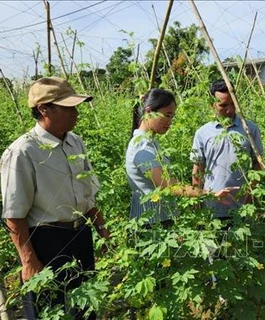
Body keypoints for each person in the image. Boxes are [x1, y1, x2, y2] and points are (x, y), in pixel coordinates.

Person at [0, 77, 110, 319]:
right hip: (45, 241)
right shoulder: (23, 151)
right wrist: (28, 261)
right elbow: (14, 214)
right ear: (43, 109)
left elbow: (87, 195)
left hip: (80, 235)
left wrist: (103, 231)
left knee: (85, 308)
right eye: (68, 107)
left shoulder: (75, 142)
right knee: (48, 309)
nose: (76, 113)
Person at [126, 88, 236, 227]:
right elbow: (170, 186)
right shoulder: (142, 148)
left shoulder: (150, 143)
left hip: (160, 220)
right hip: (151, 224)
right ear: (148, 111)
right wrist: (210, 195)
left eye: (172, 116)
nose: (169, 121)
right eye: (167, 115)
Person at [190, 79, 264, 220]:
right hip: (211, 208)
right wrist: (197, 203)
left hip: (242, 208)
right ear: (212, 105)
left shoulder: (249, 129)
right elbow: (198, 170)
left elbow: (258, 163)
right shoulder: (202, 133)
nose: (229, 110)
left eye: (232, 104)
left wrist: (250, 195)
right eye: (223, 105)